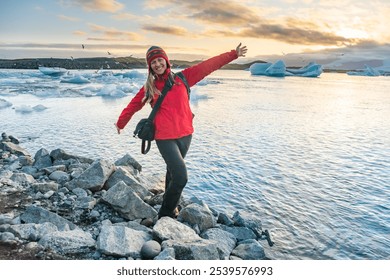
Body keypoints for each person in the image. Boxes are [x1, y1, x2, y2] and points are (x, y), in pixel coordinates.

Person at [115, 43, 248, 219]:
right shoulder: (150, 87)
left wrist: (233, 54)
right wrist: (121, 122)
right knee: (181, 176)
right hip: (164, 137)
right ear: (150, 66)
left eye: (159, 60)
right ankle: (165, 214)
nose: (157, 64)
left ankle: (171, 203)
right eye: (153, 62)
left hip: (186, 134)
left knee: (172, 172)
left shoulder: (183, 78)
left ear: (166, 61)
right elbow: (133, 105)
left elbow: (208, 66)